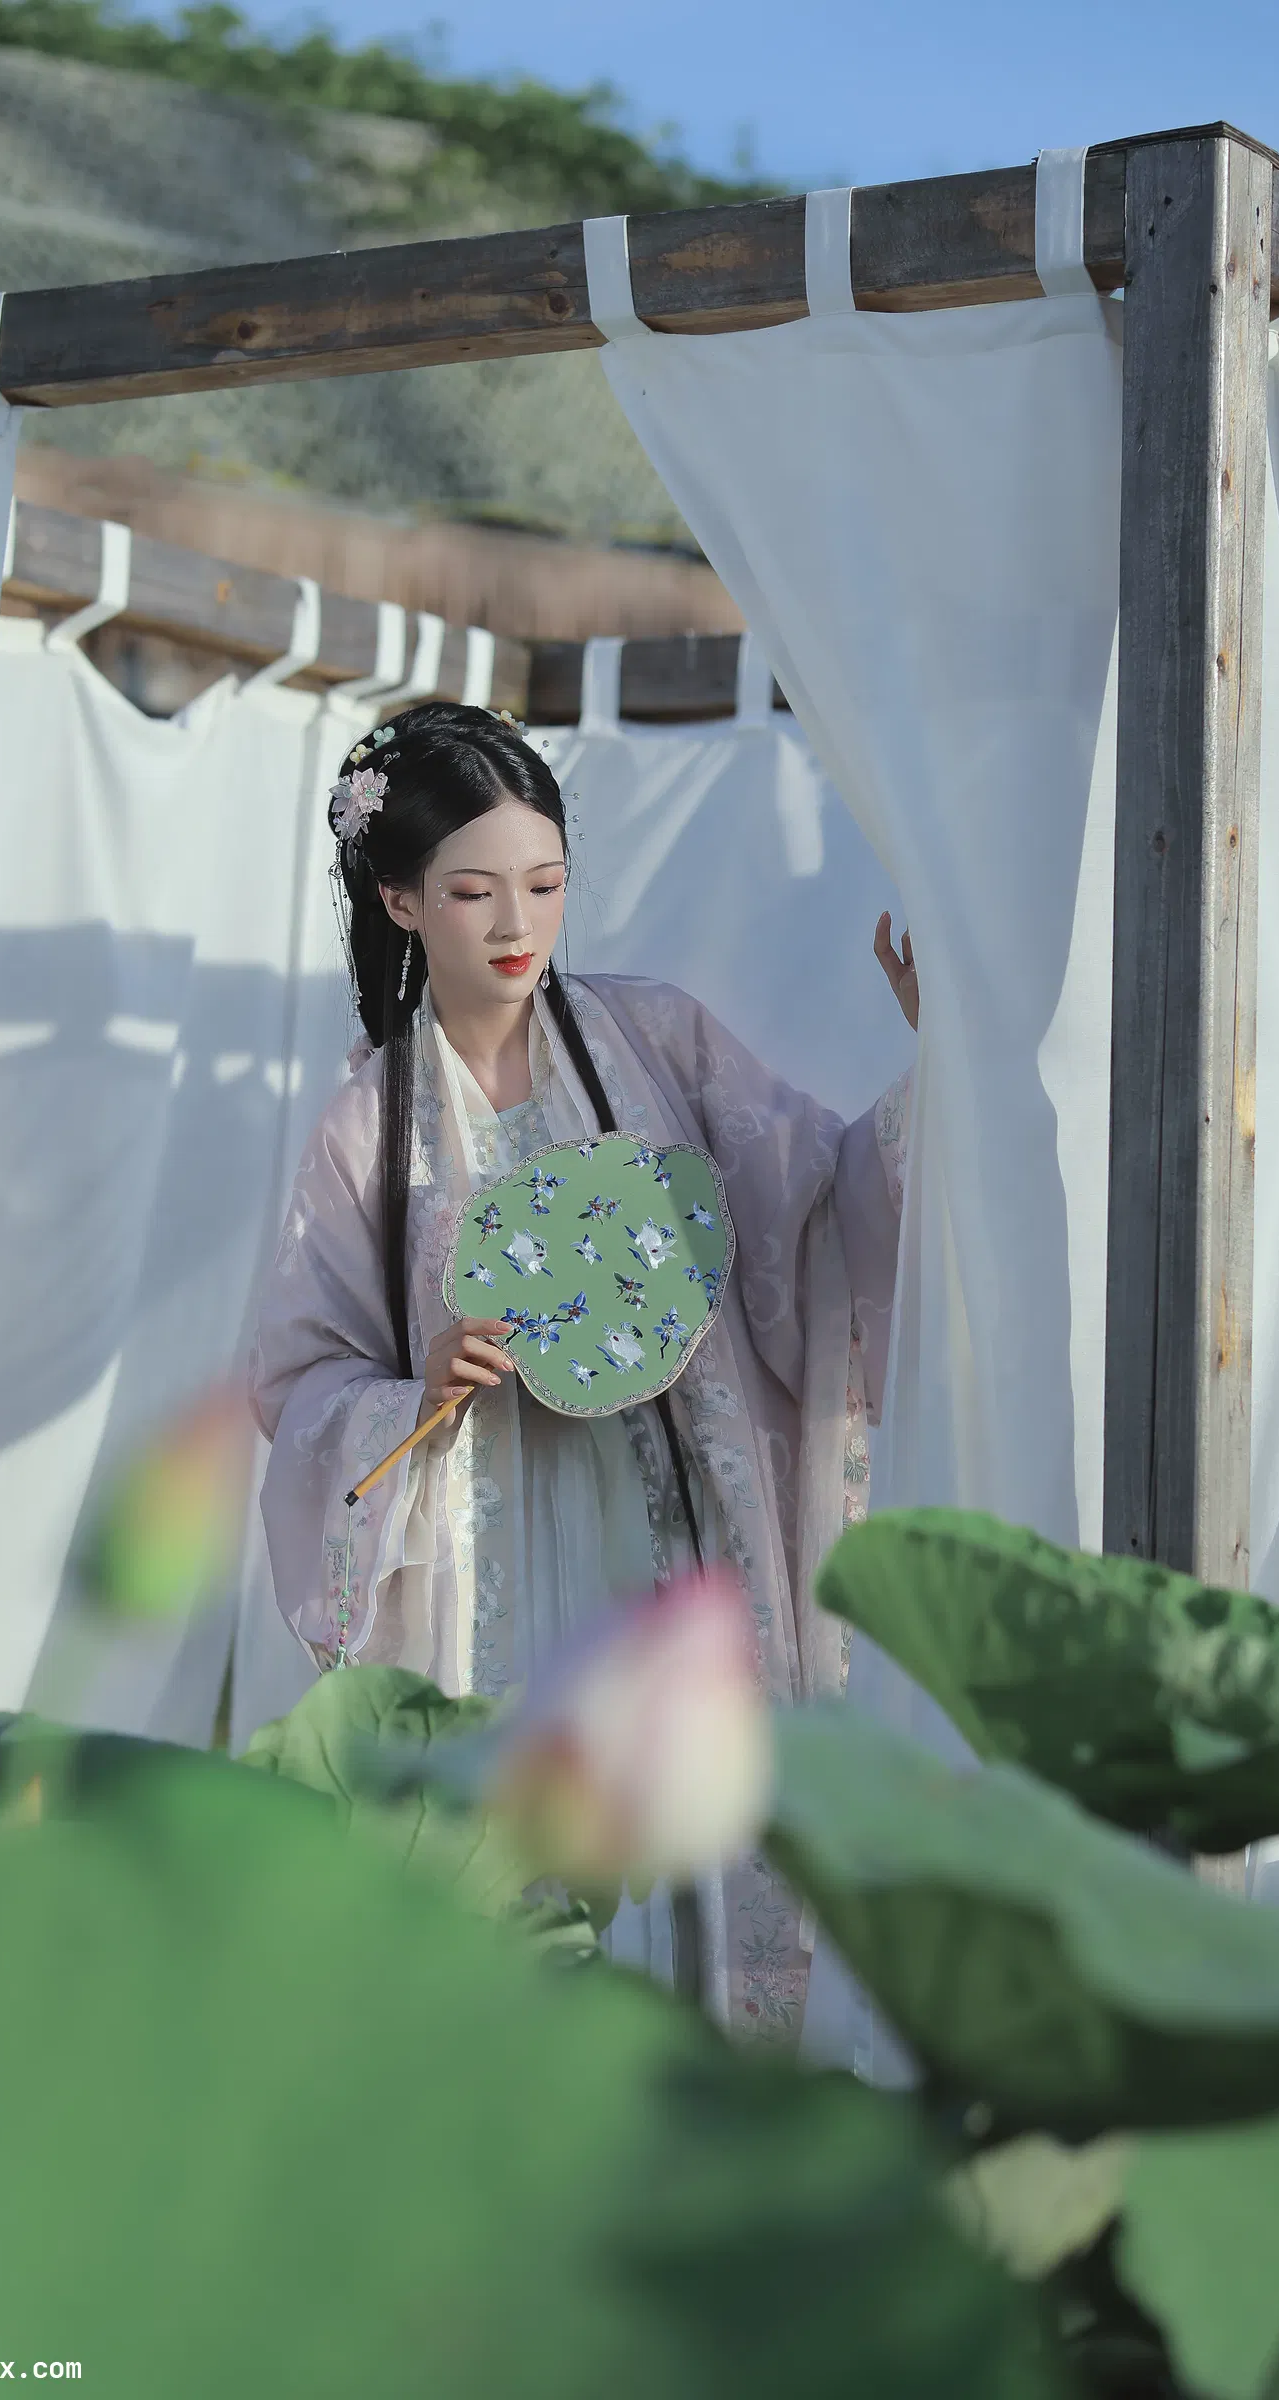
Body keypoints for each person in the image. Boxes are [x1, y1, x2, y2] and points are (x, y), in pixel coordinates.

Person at [248, 700, 915, 2038]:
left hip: (676, 1525)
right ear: (400, 899)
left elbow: (819, 1220)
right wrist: (416, 1393)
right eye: (474, 892)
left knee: (694, 1835)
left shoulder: (658, 1042)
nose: (518, 924)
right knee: (527, 1889)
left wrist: (930, 1069)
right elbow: (301, 1382)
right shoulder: (367, 1127)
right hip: (496, 1547)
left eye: (545, 884)